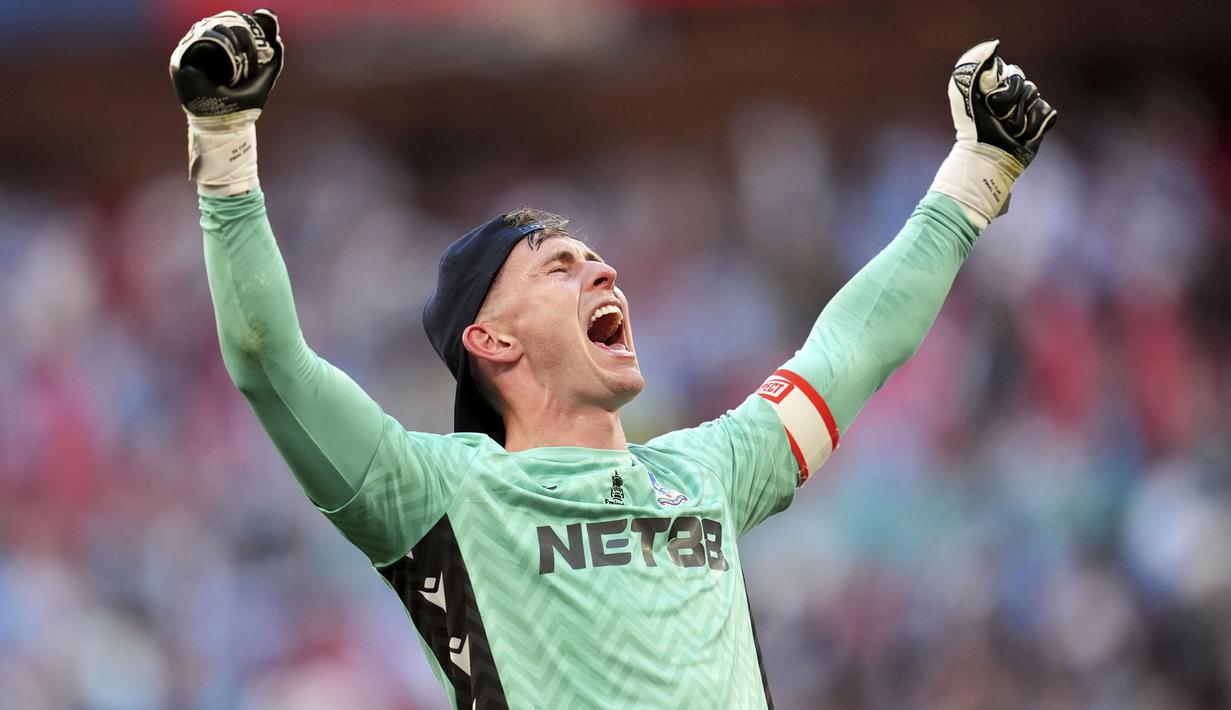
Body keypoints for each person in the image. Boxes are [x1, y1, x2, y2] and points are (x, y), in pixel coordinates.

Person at [169, 10, 1056, 709]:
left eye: (594, 257)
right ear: (491, 340)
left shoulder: (708, 468)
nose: (601, 267)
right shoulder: (435, 498)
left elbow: (853, 348)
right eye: (558, 265)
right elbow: (266, 358)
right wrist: (223, 141)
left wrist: (974, 178)